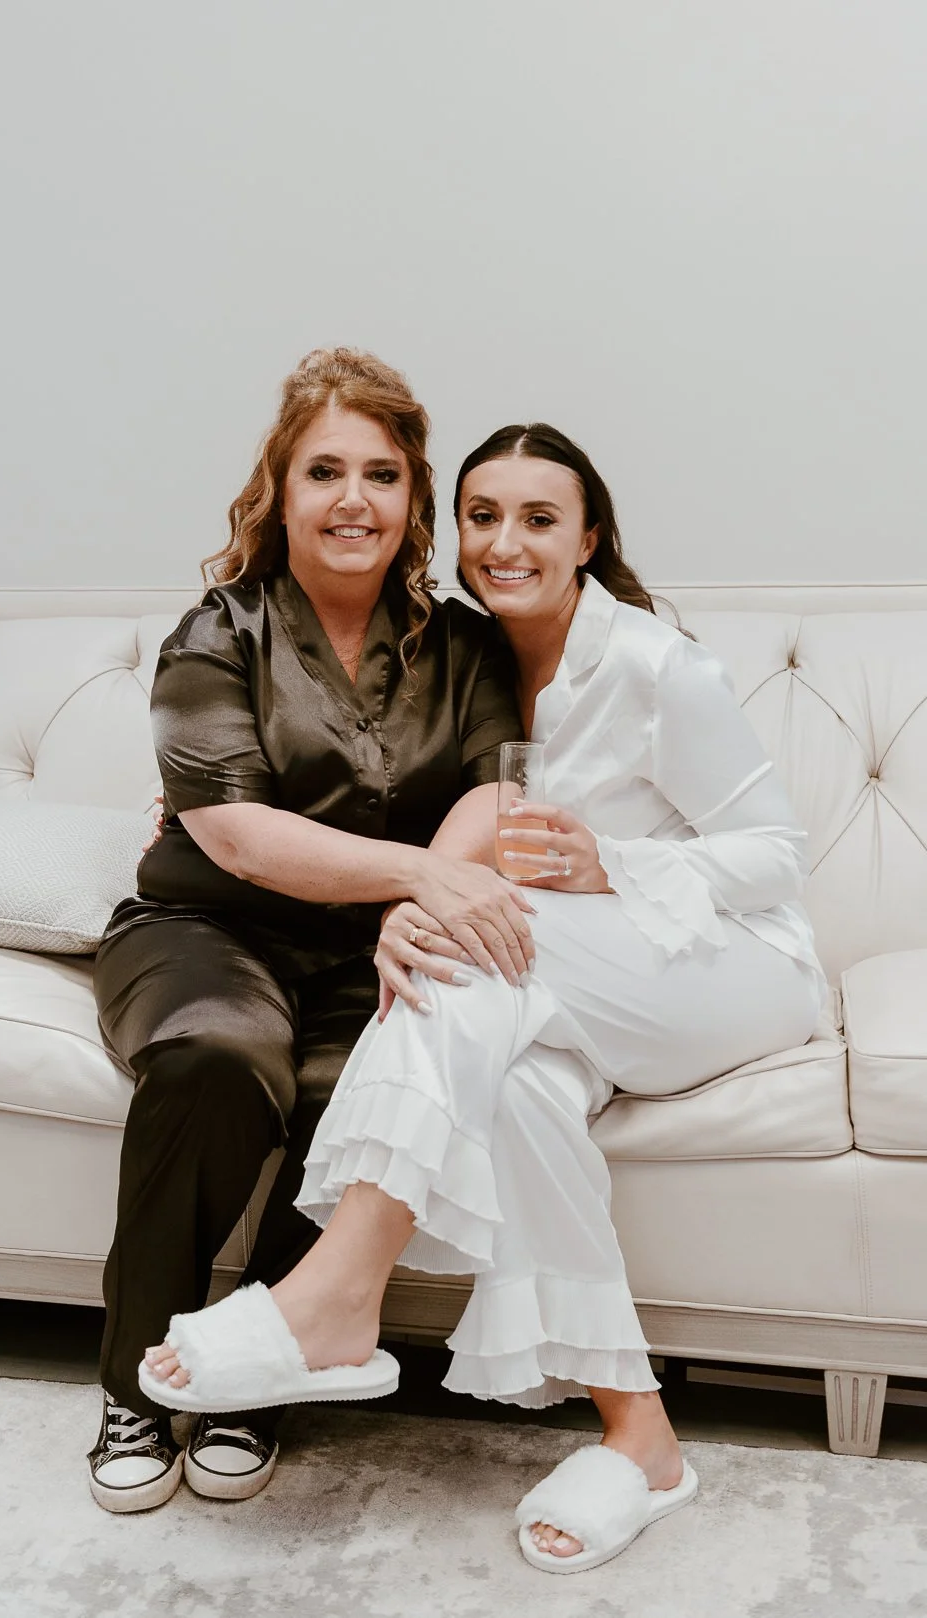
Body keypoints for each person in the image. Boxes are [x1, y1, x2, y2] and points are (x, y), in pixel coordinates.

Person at [139, 423, 827, 1572]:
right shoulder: (468, 658)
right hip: (587, 982)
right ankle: (644, 1438)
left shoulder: (655, 664)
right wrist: (409, 884)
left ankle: (335, 1293)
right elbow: (403, 805)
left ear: (589, 538)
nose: (506, 542)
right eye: (483, 516)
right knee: (514, 1092)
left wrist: (610, 864)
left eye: (539, 519)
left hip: (732, 965)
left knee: (462, 950)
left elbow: (777, 857)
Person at [86, 351, 533, 1512]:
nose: (353, 499)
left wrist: (417, 903)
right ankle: (136, 1384)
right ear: (278, 492)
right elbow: (234, 834)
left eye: (381, 474)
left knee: (357, 1091)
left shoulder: (468, 645)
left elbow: (499, 785)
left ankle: (262, 1371)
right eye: (324, 471)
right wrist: (426, 874)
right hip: (204, 926)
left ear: (413, 497)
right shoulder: (214, 633)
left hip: (372, 943)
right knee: (219, 1061)